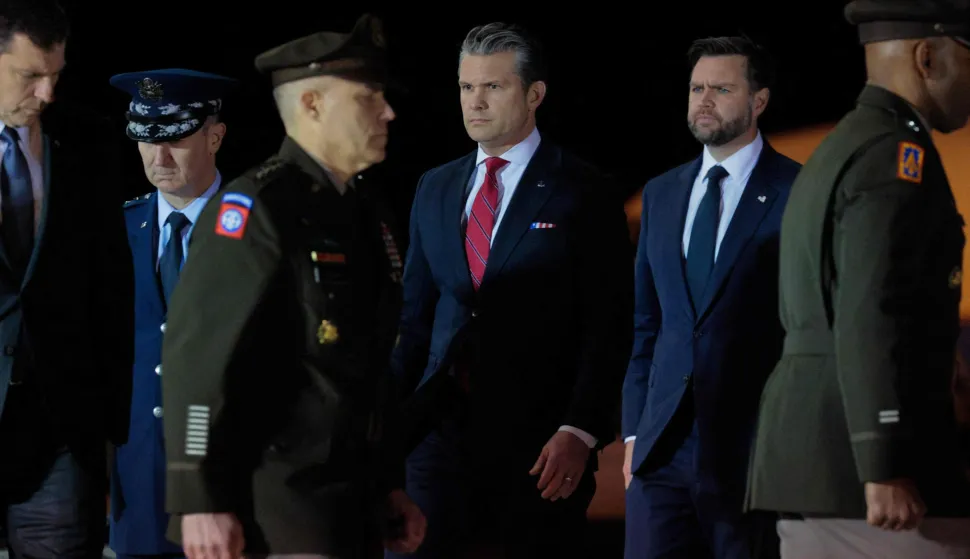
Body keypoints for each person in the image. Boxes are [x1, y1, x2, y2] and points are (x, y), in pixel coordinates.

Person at [159, 14, 425, 559]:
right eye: (369, 97)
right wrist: (198, 498)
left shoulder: (365, 211)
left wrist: (388, 482)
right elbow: (197, 361)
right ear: (312, 105)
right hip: (277, 505)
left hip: (351, 500)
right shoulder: (256, 208)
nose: (388, 112)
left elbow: (367, 368)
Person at [385, 21, 633, 559]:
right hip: (436, 436)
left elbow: (609, 323)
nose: (475, 101)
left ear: (534, 94)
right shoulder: (436, 186)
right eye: (466, 87)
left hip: (540, 445)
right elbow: (415, 318)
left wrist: (581, 430)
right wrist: (385, 428)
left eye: (493, 87)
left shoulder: (583, 189)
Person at [745, 1, 970, 557]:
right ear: (927, 57)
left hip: (818, 458)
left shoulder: (845, 145)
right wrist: (883, 460)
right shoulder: (894, 155)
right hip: (865, 474)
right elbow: (872, 310)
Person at [621, 36, 801, 559]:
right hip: (659, 457)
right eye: (697, 88)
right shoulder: (660, 192)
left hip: (751, 456)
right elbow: (646, 323)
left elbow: (807, 326)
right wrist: (634, 434)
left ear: (758, 101)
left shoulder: (799, 191)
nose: (704, 100)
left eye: (721, 88)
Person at [0, 1, 135, 557]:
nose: (47, 95)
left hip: (60, 426)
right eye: (30, 76)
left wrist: (111, 431)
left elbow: (110, 284)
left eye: (55, 76)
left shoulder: (90, 143)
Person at [107, 68, 238, 559]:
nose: (158, 158)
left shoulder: (256, 229)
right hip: (137, 478)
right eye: (145, 139)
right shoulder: (117, 231)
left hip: (229, 475)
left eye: (175, 140)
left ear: (215, 136)